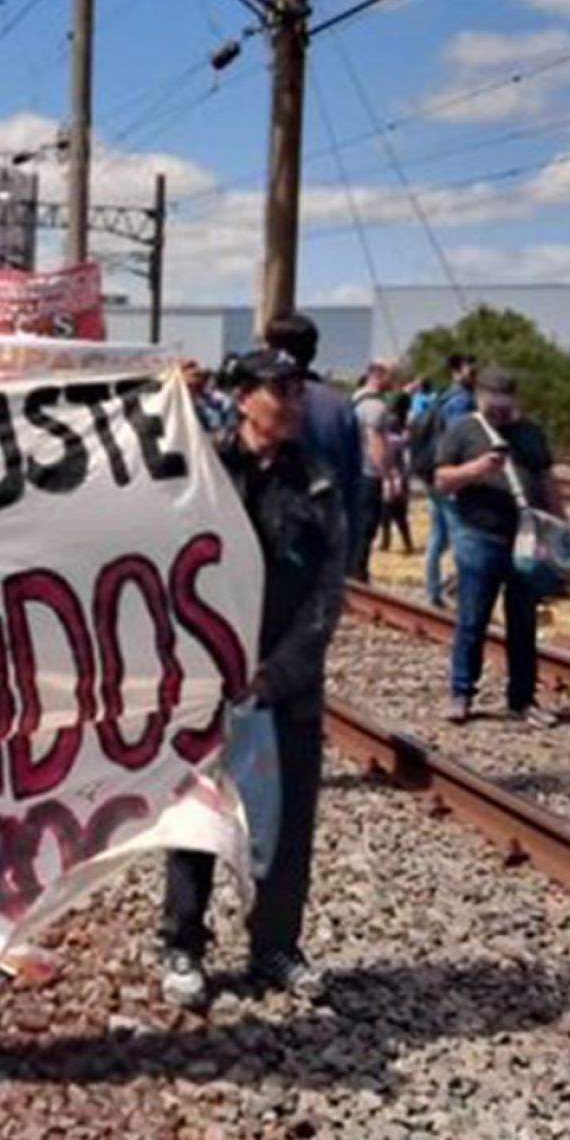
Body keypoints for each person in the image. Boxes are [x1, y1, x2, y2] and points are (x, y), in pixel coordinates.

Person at [156, 349, 344, 1010]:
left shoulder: (317, 482)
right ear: (243, 399)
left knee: (286, 823)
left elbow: (326, 595)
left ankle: (275, 945)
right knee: (195, 817)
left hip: (286, 689)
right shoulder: (201, 470)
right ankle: (182, 943)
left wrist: (277, 675)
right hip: (205, 685)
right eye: (279, 390)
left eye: (297, 391)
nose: (292, 403)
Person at [434, 368, 559, 727]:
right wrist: (475, 470)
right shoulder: (463, 430)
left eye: (505, 404)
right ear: (480, 398)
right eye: (493, 404)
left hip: (526, 540)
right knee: (472, 619)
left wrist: (559, 527)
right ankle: (461, 692)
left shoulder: (530, 433)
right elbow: (441, 480)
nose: (500, 411)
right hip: (479, 535)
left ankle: (522, 698)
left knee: (523, 622)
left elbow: (547, 481)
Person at [267, 316, 365, 572]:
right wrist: (350, 557)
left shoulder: (260, 402)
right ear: (313, 352)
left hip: (270, 545)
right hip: (325, 544)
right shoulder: (340, 406)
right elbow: (353, 487)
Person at [414, 354, 478, 607]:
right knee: (461, 536)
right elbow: (459, 439)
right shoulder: (461, 400)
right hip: (450, 476)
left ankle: (432, 591)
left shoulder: (441, 397)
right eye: (470, 370)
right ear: (456, 371)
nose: (474, 374)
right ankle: (459, 594)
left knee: (438, 537)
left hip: (433, 473)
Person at [347, 360, 395, 581]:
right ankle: (359, 575)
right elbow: (376, 443)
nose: (394, 381)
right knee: (367, 529)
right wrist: (387, 478)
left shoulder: (355, 399)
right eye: (392, 375)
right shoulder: (377, 407)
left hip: (355, 470)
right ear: (379, 375)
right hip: (370, 474)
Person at [375, 399, 415, 555]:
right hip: (398, 478)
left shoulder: (384, 441)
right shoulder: (399, 441)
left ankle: (386, 542)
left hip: (387, 479)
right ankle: (407, 543)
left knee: (386, 514)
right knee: (400, 515)